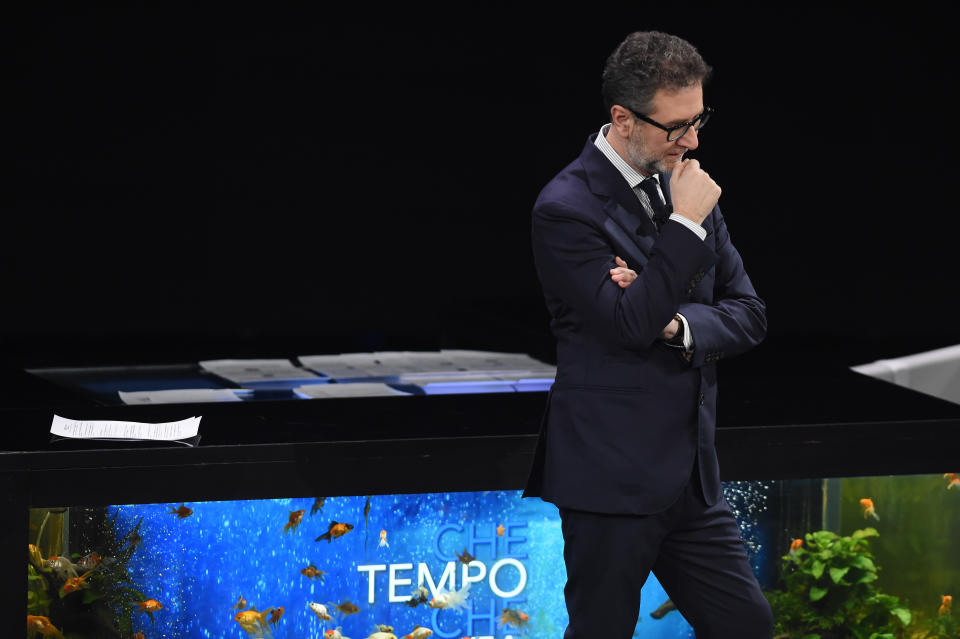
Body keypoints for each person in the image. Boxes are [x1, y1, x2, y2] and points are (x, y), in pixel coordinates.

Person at [522, 31, 772, 638]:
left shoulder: (686, 180)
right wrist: (685, 224)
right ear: (622, 119)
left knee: (748, 627)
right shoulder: (566, 208)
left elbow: (749, 313)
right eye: (676, 126)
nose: (693, 140)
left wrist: (676, 320)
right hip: (611, 479)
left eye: (699, 119)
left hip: (692, 478)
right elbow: (629, 327)